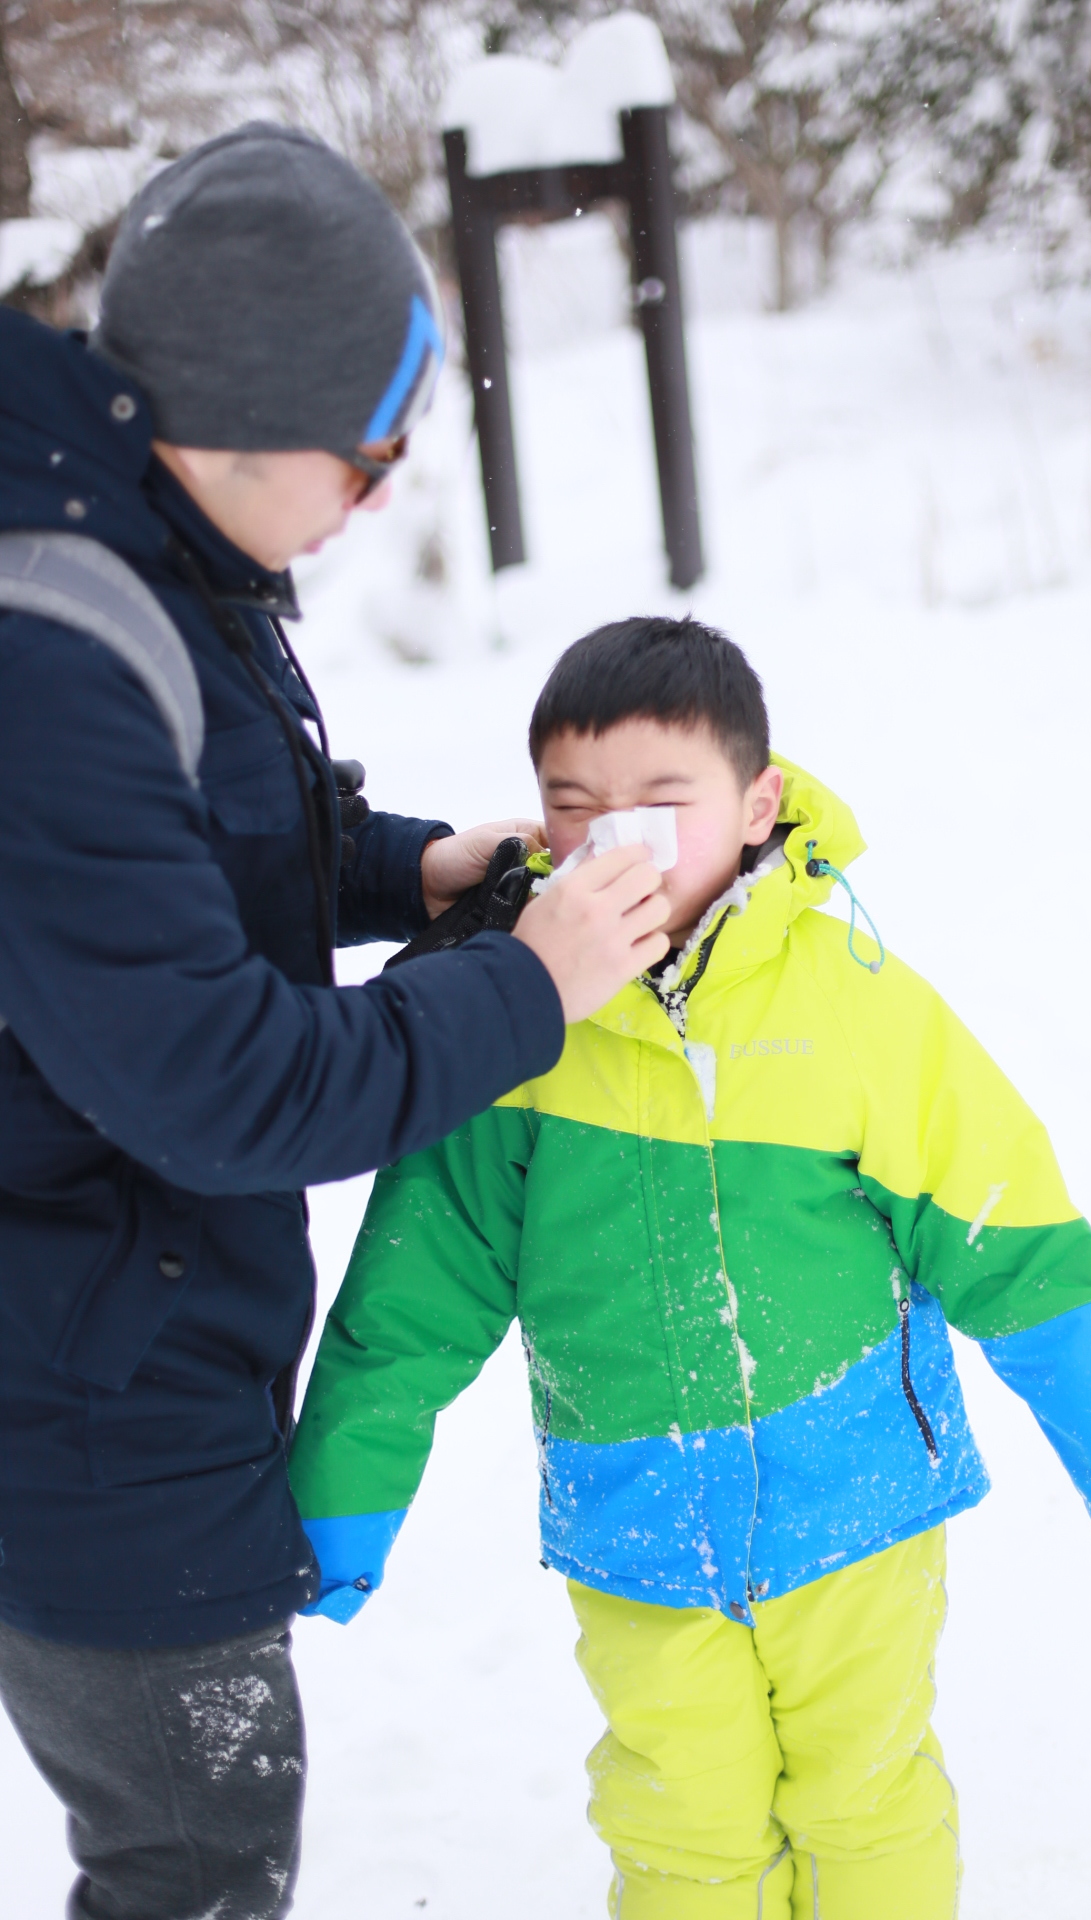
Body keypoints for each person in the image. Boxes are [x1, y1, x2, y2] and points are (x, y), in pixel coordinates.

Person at [289, 615, 1091, 1920]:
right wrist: (333, 1515)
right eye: (575, 810)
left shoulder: (862, 1014)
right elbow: (412, 1302)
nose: (614, 843)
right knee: (679, 1822)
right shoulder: (513, 1027)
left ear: (759, 803)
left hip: (856, 1510)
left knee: (865, 1799)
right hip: (631, 1519)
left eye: (659, 804)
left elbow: (1033, 1270)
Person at [0, 127, 669, 1920]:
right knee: (191, 1866)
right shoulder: (49, 653)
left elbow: (188, 865)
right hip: (75, 1398)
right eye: (371, 459)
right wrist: (531, 990)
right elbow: (224, 1089)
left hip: (108, 1335)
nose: (377, 500)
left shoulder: (131, 549)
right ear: (242, 422)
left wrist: (412, 871)